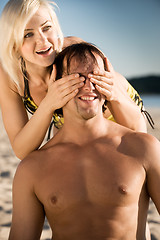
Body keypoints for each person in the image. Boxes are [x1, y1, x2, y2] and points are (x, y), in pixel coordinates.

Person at [9, 43, 160, 240]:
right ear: (55, 84)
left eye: (96, 77)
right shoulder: (32, 168)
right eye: (77, 79)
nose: (89, 87)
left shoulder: (144, 148)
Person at [0, 0, 148, 160]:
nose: (43, 41)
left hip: (117, 110)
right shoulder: (9, 74)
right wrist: (49, 104)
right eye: (28, 34)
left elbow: (138, 131)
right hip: (70, 123)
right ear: (13, 42)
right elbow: (21, 151)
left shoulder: (75, 50)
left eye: (47, 28)